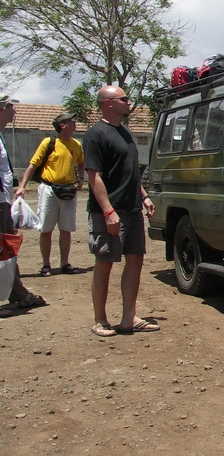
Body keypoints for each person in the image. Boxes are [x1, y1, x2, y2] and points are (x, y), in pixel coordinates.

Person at [83, 85, 159, 337]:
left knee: (135, 260)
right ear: (107, 103)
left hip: (132, 208)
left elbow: (129, 171)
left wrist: (144, 196)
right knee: (105, 262)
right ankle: (100, 320)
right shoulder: (96, 134)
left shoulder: (125, 132)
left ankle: (129, 317)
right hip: (110, 211)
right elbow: (94, 176)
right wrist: (107, 211)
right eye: (124, 98)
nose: (129, 102)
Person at [14, 112, 85, 276]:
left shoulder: (76, 144)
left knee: (66, 228)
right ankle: (46, 264)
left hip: (68, 190)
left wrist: (81, 179)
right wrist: (22, 186)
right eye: (71, 121)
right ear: (63, 125)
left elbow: (81, 163)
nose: (75, 123)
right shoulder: (49, 142)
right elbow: (33, 165)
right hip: (49, 189)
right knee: (46, 228)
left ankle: (64, 263)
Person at [0, 93, 47, 317]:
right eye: (10, 106)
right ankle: (17, 294)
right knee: (4, 247)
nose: (14, 111)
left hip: (3, 201)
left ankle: (17, 293)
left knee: (7, 246)